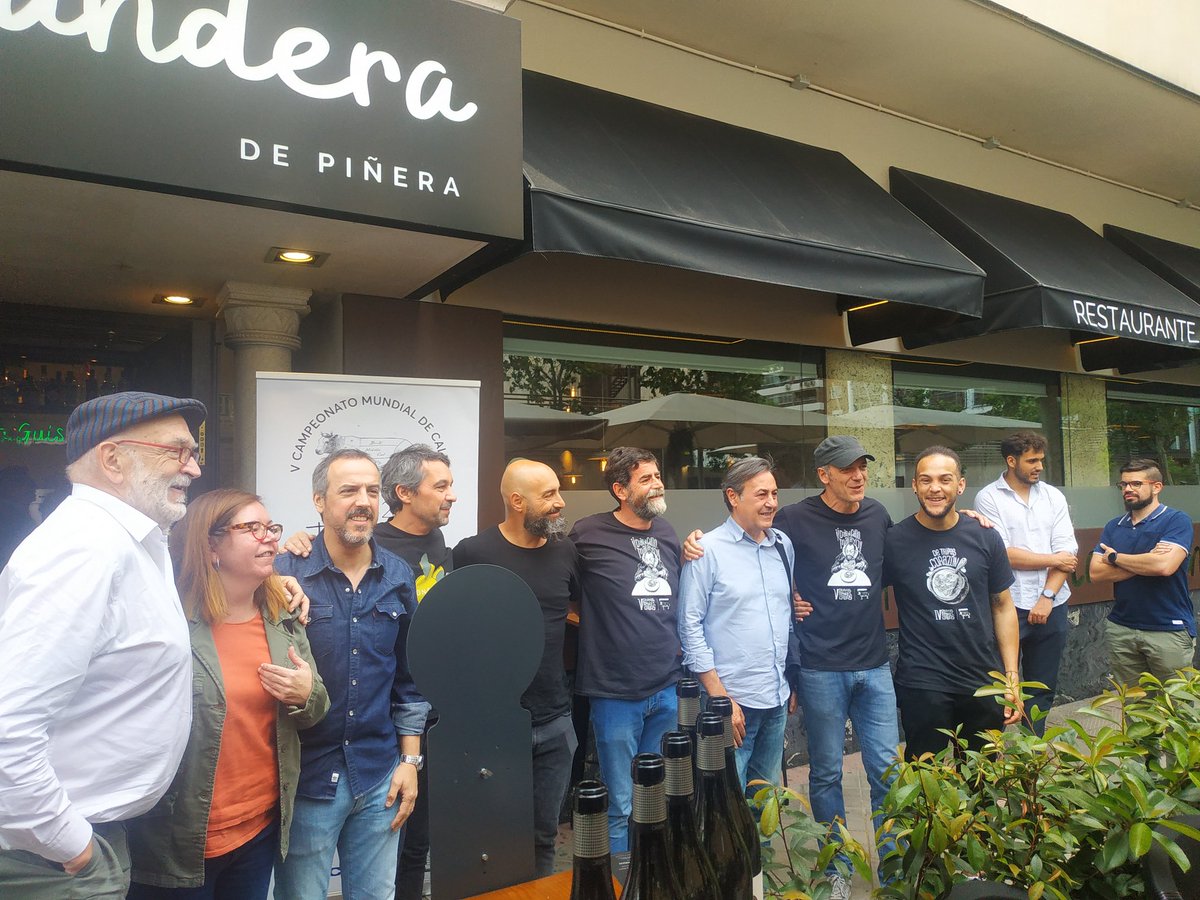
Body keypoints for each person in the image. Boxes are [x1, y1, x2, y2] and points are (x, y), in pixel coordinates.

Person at [0, 391, 204, 898]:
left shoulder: (129, 540)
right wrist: (68, 843)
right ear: (112, 459)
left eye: (194, 452)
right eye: (177, 451)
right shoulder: (83, 549)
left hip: (79, 841)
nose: (194, 468)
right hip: (52, 859)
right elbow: (9, 725)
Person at [127, 489, 330, 898]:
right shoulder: (167, 620)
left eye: (270, 527)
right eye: (251, 528)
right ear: (211, 546)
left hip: (259, 830)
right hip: (180, 839)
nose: (269, 537)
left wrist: (306, 693)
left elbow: (317, 707)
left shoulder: (282, 615)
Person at [284, 444, 455, 900]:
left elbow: (410, 682)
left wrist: (410, 763)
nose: (363, 501)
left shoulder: (397, 576)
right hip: (307, 780)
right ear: (319, 501)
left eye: (372, 491)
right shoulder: (285, 573)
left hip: (380, 776)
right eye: (348, 491)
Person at [776, 436, 896, 898]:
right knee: (826, 773)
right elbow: (758, 559)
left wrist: (966, 519)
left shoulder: (878, 515)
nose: (858, 476)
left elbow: (914, 547)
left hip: (875, 664)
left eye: (862, 467)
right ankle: (836, 868)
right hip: (820, 666)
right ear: (824, 474)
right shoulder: (793, 519)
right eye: (847, 469)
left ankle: (893, 867)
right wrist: (787, 597)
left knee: (887, 771)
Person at [453, 459, 580, 877]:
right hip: (494, 725)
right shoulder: (472, 552)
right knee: (492, 839)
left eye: (558, 491)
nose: (560, 502)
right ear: (517, 501)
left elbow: (578, 608)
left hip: (555, 721)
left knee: (544, 836)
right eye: (549, 495)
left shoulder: (565, 551)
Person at [569, 447, 683, 853]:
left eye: (658, 476)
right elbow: (562, 590)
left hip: (666, 687)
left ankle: (651, 874)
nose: (657, 484)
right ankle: (620, 879)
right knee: (620, 803)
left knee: (655, 797)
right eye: (646, 479)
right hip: (614, 691)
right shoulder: (587, 533)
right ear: (620, 490)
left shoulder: (667, 532)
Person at [884, 446, 1022, 760]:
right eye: (926, 480)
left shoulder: (985, 536)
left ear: (960, 485)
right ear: (914, 486)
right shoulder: (894, 540)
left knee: (982, 776)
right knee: (925, 775)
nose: (935, 488)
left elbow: (1003, 607)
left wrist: (1011, 677)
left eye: (945, 480)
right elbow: (862, 591)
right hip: (922, 681)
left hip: (982, 680)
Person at [678, 456, 798, 793]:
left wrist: (790, 678)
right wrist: (720, 698)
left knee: (765, 801)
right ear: (733, 496)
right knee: (726, 804)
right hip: (730, 703)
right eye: (761, 494)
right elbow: (689, 626)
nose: (771, 503)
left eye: (774, 493)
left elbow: (785, 615)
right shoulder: (706, 550)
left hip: (775, 698)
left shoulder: (783, 546)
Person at [973, 432, 1078, 733]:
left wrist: (1047, 596)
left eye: (1041, 460)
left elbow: (1068, 553)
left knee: (1042, 687)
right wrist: (1054, 559)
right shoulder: (989, 498)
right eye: (1032, 461)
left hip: (1052, 602)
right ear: (1011, 460)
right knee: (998, 686)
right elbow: (1002, 554)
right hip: (1008, 603)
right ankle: (993, 751)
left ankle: (1031, 750)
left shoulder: (1053, 496)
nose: (1039, 466)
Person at [1090, 458, 1197, 685]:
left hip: (1168, 628)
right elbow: (1096, 573)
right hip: (1122, 628)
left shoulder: (1176, 520)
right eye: (1123, 484)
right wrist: (1147, 561)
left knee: (1175, 702)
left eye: (1136, 484)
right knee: (1133, 702)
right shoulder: (1114, 526)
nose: (1128, 489)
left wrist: (1115, 558)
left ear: (1156, 487)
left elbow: (1163, 567)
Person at [0, 465, 38, 569]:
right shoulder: (14, 519)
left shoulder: (18, 515)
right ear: (11, 488)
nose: (33, 486)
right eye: (26, 483)